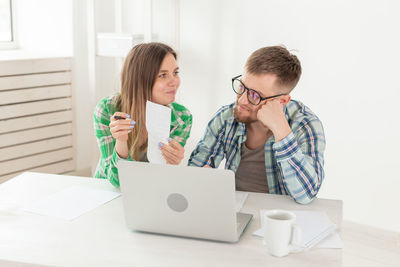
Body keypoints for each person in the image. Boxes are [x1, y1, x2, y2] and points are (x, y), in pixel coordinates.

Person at [188, 46, 325, 204]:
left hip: (281, 219)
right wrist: (200, 176)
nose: (242, 100)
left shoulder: (306, 124)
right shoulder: (226, 118)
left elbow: (306, 195)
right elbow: (194, 174)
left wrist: (282, 131)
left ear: (281, 101)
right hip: (234, 213)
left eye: (255, 95)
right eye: (242, 87)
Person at [94, 42, 192, 187]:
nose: (174, 82)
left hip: (149, 191)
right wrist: (121, 141)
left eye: (175, 73)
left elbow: (161, 178)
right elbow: (117, 181)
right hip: (108, 192)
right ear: (140, 79)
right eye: (163, 75)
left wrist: (172, 163)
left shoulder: (181, 117)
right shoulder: (107, 110)